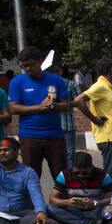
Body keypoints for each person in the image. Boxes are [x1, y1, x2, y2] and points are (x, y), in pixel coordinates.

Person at [9, 45, 72, 182]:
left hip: (54, 135)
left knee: (61, 176)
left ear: (40, 62)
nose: (28, 69)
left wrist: (53, 106)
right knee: (31, 177)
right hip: (29, 135)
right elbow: (13, 108)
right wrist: (39, 107)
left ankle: (62, 202)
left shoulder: (56, 80)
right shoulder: (17, 82)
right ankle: (33, 204)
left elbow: (66, 105)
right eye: (24, 66)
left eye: (31, 65)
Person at [73, 58, 112, 182]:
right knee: (111, 174)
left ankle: (110, 198)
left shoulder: (107, 87)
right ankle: (110, 199)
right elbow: (78, 100)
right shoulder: (100, 86)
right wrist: (94, 119)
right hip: (109, 136)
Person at [47, 151, 112, 224]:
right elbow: (52, 199)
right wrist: (68, 202)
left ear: (90, 167)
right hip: (73, 211)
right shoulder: (64, 175)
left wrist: (95, 203)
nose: (80, 176)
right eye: (76, 173)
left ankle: (75, 222)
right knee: (50, 208)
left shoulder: (102, 175)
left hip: (96, 210)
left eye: (84, 173)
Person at [0, 134, 49, 224]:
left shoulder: (28, 172)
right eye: (0, 150)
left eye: (6, 150)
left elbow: (36, 194)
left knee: (41, 216)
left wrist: (41, 211)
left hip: (22, 214)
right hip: (1, 215)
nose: (2, 153)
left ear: (17, 152)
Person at [59, 62, 81, 167]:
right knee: (57, 155)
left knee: (70, 154)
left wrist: (66, 103)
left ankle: (71, 178)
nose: (55, 73)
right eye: (52, 71)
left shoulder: (70, 84)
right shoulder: (47, 86)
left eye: (57, 71)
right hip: (53, 126)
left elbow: (79, 100)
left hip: (67, 124)